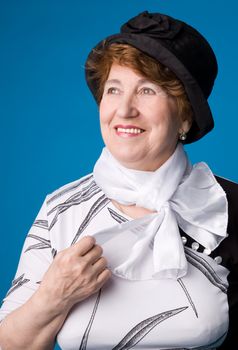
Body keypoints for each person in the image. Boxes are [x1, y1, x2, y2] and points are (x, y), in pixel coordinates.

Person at [0, 10, 237, 350]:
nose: (124, 109)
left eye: (147, 91)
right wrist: (53, 296)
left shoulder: (229, 208)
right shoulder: (61, 209)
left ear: (184, 115)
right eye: (114, 89)